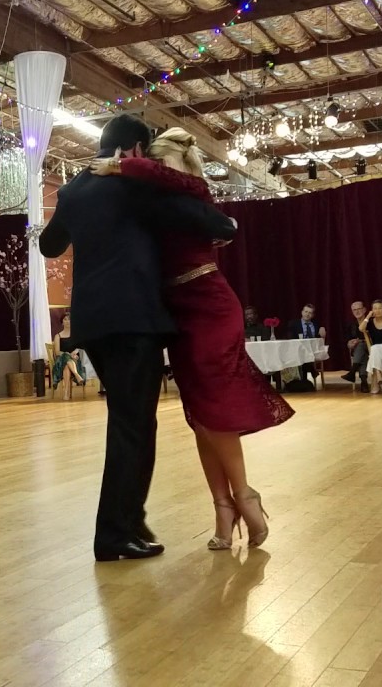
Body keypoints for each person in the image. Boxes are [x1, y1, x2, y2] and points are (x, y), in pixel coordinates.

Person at [39, 115, 237, 563]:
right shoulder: (132, 183)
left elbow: (49, 246)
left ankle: (128, 518)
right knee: (133, 427)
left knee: (126, 422)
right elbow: (196, 217)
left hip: (92, 322)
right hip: (135, 318)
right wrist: (227, 225)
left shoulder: (73, 190)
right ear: (132, 151)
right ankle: (114, 533)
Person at [93, 127, 293, 551]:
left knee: (216, 408)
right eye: (156, 162)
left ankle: (245, 496)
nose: (160, 169)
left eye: (166, 163)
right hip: (176, 314)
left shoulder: (193, 192)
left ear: (182, 165)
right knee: (200, 414)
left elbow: (179, 181)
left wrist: (121, 164)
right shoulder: (153, 201)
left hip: (212, 305)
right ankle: (222, 508)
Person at [51, 313, 86, 400]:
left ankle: (66, 393)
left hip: (74, 361)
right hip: (60, 362)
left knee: (67, 366)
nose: (67, 321)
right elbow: (57, 352)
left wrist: (75, 352)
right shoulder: (58, 336)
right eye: (65, 319)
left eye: (69, 319)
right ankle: (77, 375)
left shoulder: (76, 335)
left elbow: (80, 346)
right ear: (62, 322)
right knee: (66, 359)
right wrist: (68, 354)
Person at [342, 301, 368, 384]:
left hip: (372, 348)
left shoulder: (371, 322)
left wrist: (361, 341)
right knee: (362, 353)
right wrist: (350, 343)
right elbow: (348, 341)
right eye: (354, 310)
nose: (357, 312)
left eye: (359, 309)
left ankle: (352, 372)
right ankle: (364, 383)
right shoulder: (351, 325)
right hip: (359, 351)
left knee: (360, 346)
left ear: (364, 310)